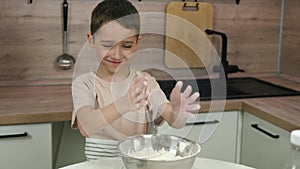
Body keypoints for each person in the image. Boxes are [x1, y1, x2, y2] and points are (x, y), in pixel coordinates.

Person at [71, 0, 200, 160]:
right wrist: (125, 104)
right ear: (91, 40)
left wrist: (177, 113)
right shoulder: (85, 83)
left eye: (126, 46)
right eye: (107, 45)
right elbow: (85, 126)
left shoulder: (146, 82)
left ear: (137, 43)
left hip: (138, 165)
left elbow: (173, 121)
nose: (117, 55)